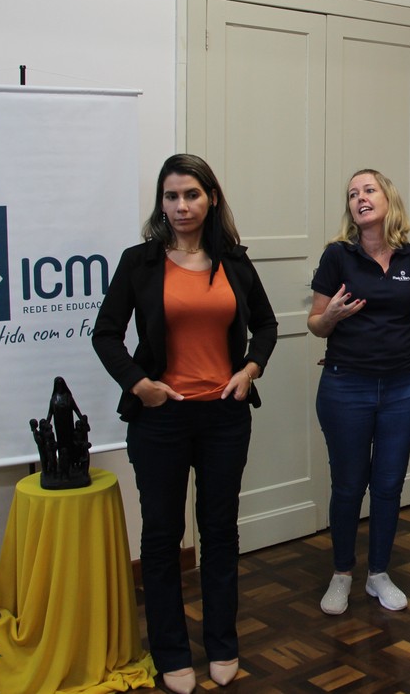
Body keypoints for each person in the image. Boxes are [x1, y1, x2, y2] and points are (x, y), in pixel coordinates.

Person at [93, 154, 277, 694]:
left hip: (224, 415)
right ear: (161, 202)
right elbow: (106, 334)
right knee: (161, 536)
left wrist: (250, 369)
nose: (181, 206)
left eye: (191, 194)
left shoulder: (234, 262)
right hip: (161, 418)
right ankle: (171, 651)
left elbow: (266, 325)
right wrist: (138, 384)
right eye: (171, 196)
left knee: (219, 533)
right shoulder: (140, 262)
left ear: (211, 198)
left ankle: (222, 643)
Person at [308, 169, 410, 615]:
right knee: (348, 486)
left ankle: (378, 573)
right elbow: (316, 324)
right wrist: (333, 316)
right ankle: (342, 573)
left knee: (387, 485)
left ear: (387, 199)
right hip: (346, 387)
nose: (360, 198)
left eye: (368, 190)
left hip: (404, 388)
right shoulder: (337, 256)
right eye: (352, 194)